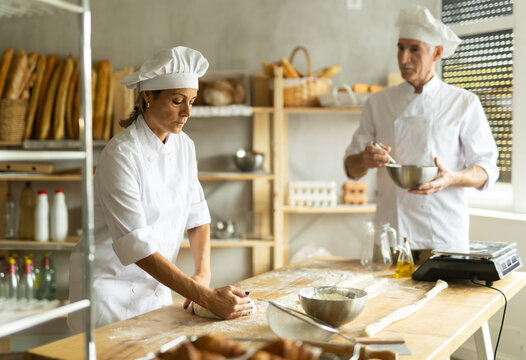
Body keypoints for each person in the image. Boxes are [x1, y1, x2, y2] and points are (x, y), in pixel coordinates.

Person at [68, 46, 252, 333]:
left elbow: (198, 216)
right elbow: (138, 247)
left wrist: (202, 277)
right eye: (178, 101)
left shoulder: (185, 146)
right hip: (108, 296)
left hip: (157, 293)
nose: (188, 112)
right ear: (148, 96)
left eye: (192, 100)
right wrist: (203, 296)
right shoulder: (121, 154)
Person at [344, 6, 499, 262]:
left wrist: (452, 178)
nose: (403, 58)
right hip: (391, 238)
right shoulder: (378, 102)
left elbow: (487, 169)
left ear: (437, 53)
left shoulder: (463, 103)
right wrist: (365, 159)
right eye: (400, 47)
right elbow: (351, 168)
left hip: (443, 239)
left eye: (414, 49)